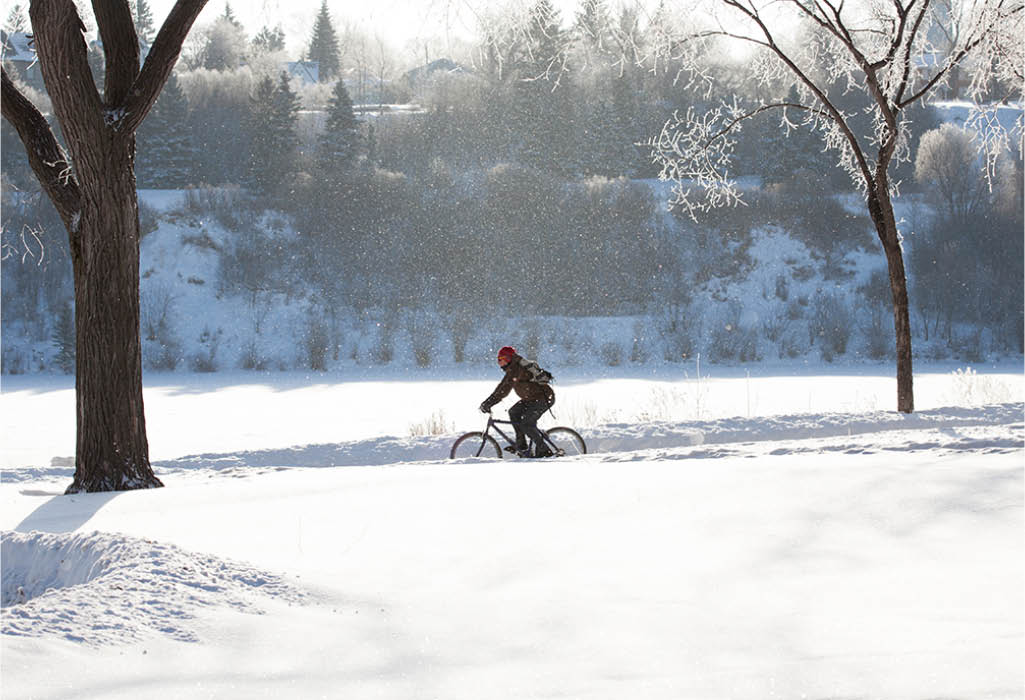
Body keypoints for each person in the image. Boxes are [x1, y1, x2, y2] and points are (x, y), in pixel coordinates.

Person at [479, 346, 555, 458]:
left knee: (527, 424)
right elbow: (501, 388)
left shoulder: (517, 369)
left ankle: (545, 451)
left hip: (543, 399)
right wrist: (488, 402)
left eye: (501, 358)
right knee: (514, 412)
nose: (498, 362)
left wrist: (488, 403)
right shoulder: (513, 369)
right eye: (498, 359)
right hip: (531, 399)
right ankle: (522, 445)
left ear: (508, 358)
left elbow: (502, 390)